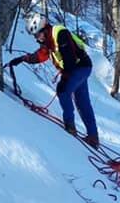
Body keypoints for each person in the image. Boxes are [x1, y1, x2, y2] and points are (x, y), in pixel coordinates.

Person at [7, 13, 99, 148]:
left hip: (79, 67)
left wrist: (65, 79)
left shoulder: (60, 34)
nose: (37, 39)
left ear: (44, 29)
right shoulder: (48, 41)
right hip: (80, 68)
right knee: (82, 102)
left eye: (37, 35)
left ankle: (70, 127)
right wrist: (22, 59)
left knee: (63, 92)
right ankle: (93, 137)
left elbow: (69, 58)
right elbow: (40, 56)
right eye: (35, 36)